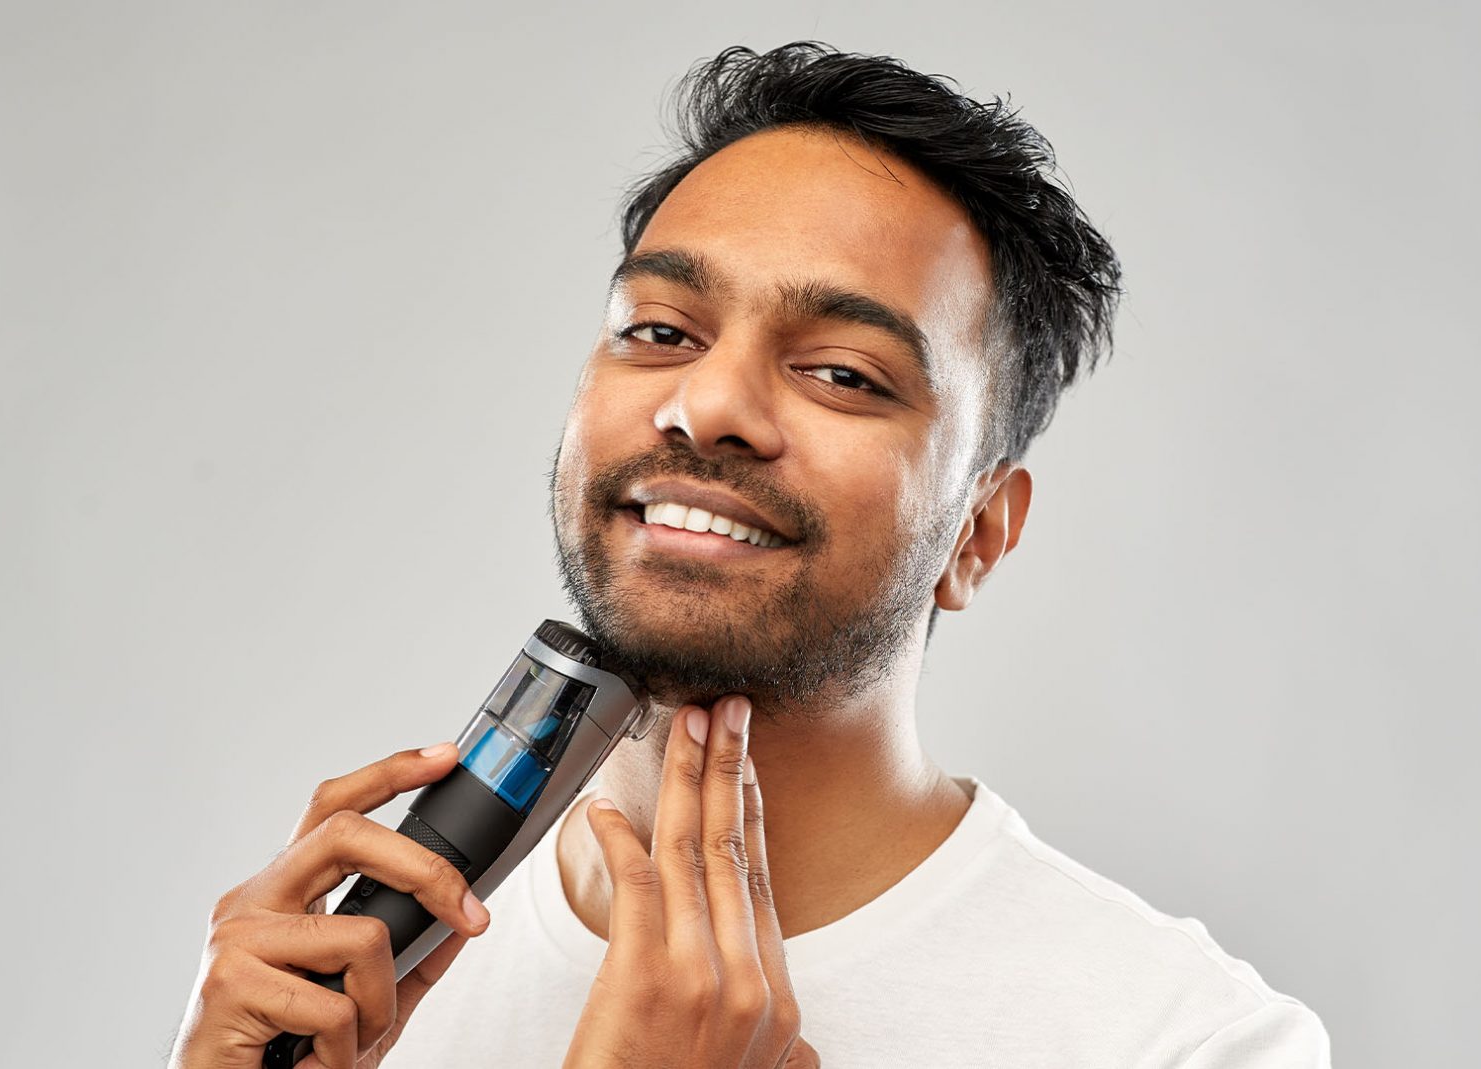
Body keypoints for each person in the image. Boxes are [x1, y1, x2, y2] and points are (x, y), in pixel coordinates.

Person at [170, 41, 1332, 1069]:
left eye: (841, 373)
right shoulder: (329, 977)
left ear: (975, 532)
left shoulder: (1184, 1041)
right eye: (660, 332)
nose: (708, 402)